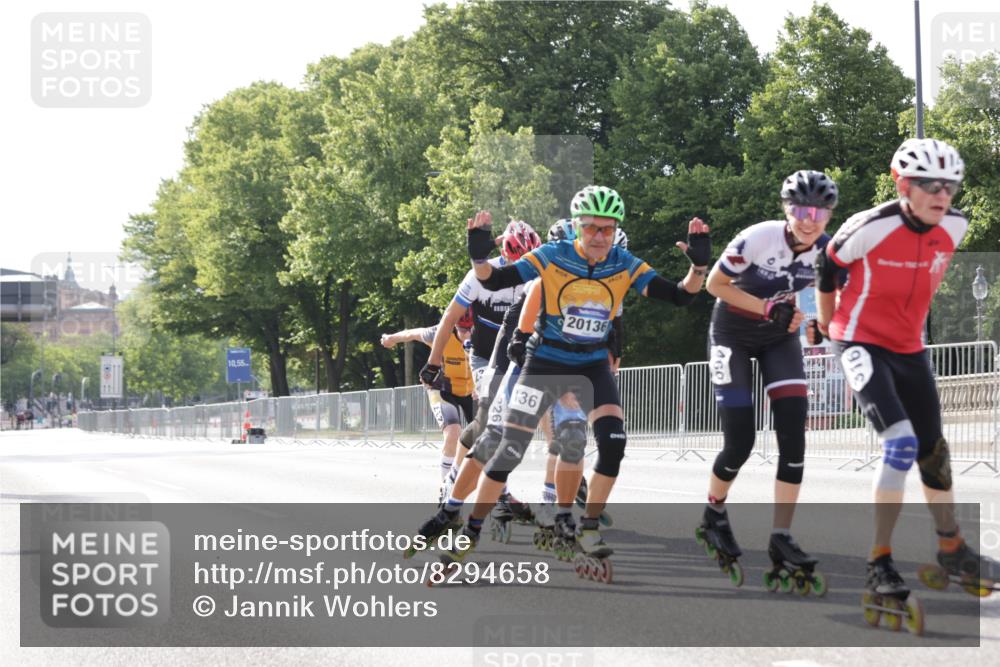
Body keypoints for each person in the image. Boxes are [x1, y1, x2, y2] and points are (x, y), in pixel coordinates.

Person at [436, 185, 711, 577]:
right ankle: (466, 523)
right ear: (578, 228)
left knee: (606, 444)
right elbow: (495, 281)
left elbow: (680, 296)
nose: (600, 238)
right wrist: (479, 255)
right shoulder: (554, 257)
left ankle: (581, 525)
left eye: (608, 229)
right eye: (591, 229)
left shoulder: (622, 263)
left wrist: (698, 268)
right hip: (538, 359)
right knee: (504, 444)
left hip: (588, 366)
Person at [814, 138, 990, 617]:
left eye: (949, 185)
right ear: (902, 184)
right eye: (929, 184)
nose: (941, 193)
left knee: (934, 450)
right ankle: (879, 561)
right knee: (901, 443)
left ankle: (951, 546)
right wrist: (829, 325)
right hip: (859, 341)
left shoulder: (955, 225)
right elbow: (827, 264)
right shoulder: (869, 226)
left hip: (910, 348)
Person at [698, 170, 838, 591]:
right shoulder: (759, 238)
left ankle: (781, 535)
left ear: (829, 214)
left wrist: (819, 326)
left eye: (818, 212)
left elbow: (830, 302)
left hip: (779, 339)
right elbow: (714, 284)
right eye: (800, 210)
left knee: (794, 434)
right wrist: (766, 308)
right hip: (732, 336)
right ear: (787, 210)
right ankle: (713, 514)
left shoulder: (828, 253)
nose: (809, 220)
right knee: (740, 440)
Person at [423, 220, 541, 494]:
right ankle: (455, 478)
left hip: (516, 353)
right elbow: (449, 318)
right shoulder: (480, 275)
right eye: (516, 266)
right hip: (482, 355)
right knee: (488, 418)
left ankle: (522, 488)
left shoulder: (536, 274)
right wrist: (433, 361)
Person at [381, 309, 475, 495]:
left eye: (470, 329)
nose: (467, 335)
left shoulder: (484, 336)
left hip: (471, 392)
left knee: (486, 439)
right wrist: (391, 338)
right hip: (442, 389)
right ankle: (446, 488)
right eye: (461, 330)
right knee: (453, 433)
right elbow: (412, 333)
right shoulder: (440, 333)